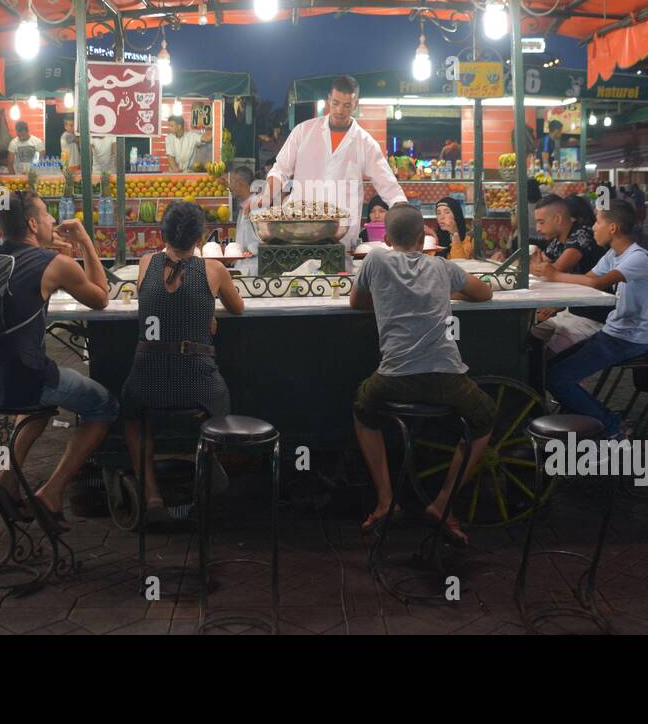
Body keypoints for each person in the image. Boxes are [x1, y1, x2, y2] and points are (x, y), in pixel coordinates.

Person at [0, 190, 114, 529]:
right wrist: (86, 241)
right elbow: (101, 297)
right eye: (45, 215)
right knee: (104, 406)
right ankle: (52, 492)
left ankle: (7, 478)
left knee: (36, 404)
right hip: (24, 378)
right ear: (31, 223)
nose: (50, 220)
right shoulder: (53, 264)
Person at [349, 203, 495, 545]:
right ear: (423, 238)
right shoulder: (442, 267)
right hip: (447, 378)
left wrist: (388, 299)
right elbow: (484, 293)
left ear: (385, 238)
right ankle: (442, 501)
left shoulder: (375, 260)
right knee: (485, 416)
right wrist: (447, 292)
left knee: (362, 408)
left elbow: (356, 302)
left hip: (393, 379)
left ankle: (386, 500)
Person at [121, 201, 244, 520]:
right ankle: (205, 472)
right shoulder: (213, 269)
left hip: (147, 381)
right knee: (221, 404)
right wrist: (207, 315)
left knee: (132, 417)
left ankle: (151, 496)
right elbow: (238, 308)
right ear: (199, 237)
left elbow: (157, 307)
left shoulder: (146, 263)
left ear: (162, 232)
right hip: (198, 385)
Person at [534, 200, 648, 440]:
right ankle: (580, 417)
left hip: (628, 339)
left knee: (558, 378)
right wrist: (554, 281)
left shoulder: (638, 258)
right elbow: (587, 278)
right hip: (613, 333)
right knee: (548, 368)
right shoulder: (613, 254)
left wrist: (556, 275)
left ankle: (611, 427)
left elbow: (596, 283)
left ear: (612, 228)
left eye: (598, 222)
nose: (593, 228)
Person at [260, 75, 406, 254]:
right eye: (335, 103)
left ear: (355, 104)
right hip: (299, 231)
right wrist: (266, 196)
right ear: (329, 100)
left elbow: (388, 186)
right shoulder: (303, 132)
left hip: (342, 235)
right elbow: (280, 170)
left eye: (346, 105)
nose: (339, 110)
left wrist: (403, 212)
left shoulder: (365, 143)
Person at [530, 194, 609, 355]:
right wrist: (539, 266)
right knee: (530, 337)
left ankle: (552, 378)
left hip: (593, 315)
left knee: (546, 357)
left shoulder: (581, 234)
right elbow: (541, 269)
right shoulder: (558, 240)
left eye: (541, 222)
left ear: (558, 219)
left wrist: (541, 267)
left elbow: (552, 272)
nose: (538, 228)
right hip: (572, 310)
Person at [226, 164, 261, 274]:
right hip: (243, 267)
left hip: (252, 271)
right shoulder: (244, 207)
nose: (229, 187)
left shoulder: (257, 207)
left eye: (231, 182)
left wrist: (242, 252)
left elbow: (259, 243)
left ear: (240, 183)